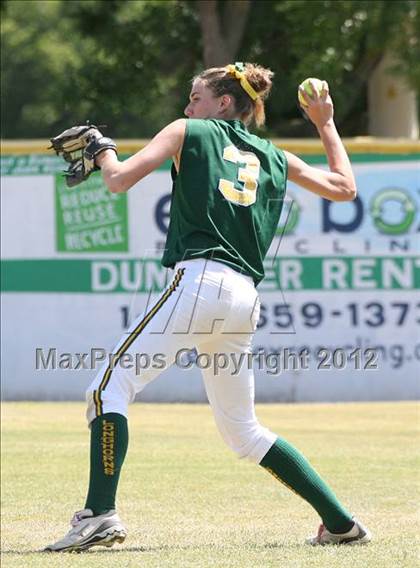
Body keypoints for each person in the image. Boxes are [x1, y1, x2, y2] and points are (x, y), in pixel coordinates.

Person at [46, 62, 371, 552]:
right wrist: (324, 122)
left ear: (222, 103)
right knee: (244, 431)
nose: (187, 106)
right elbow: (345, 189)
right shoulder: (275, 155)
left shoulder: (188, 131)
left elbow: (117, 181)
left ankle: (99, 513)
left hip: (200, 281)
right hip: (244, 298)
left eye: (195, 97)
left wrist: (104, 151)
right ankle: (341, 523)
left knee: (107, 390)